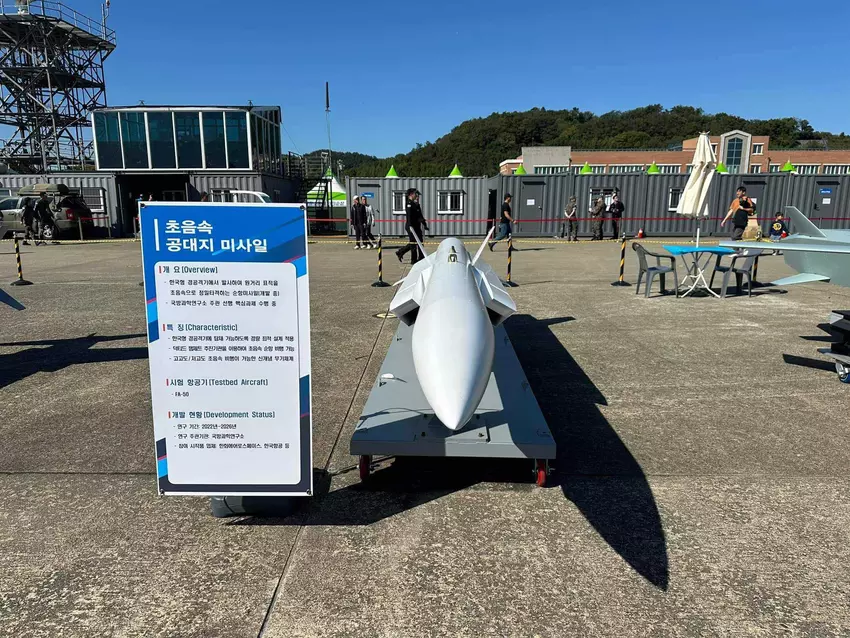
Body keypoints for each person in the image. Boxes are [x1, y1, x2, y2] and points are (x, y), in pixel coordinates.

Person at [396, 188, 428, 264]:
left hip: (417, 227)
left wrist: (424, 224)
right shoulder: (409, 203)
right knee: (413, 243)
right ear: (411, 194)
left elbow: (420, 216)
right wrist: (410, 226)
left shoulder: (416, 204)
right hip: (411, 227)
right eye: (415, 194)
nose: (417, 196)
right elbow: (409, 216)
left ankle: (421, 257)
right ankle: (413, 260)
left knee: (419, 242)